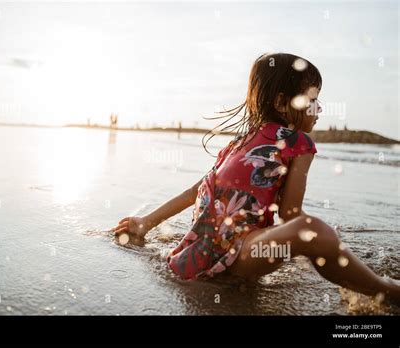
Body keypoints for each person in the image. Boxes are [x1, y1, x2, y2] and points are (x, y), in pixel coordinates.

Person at [112, 53, 400, 300]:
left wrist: (146, 222)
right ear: (282, 103)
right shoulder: (299, 142)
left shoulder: (238, 144)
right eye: (313, 99)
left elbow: (196, 190)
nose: (319, 108)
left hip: (193, 256)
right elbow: (291, 214)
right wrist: (316, 242)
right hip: (240, 255)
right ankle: (384, 288)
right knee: (316, 231)